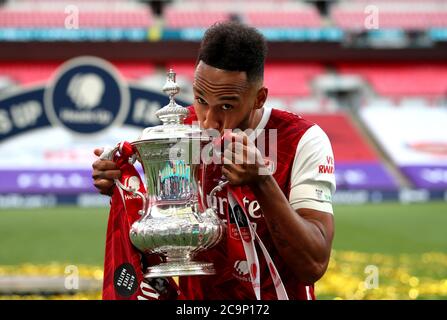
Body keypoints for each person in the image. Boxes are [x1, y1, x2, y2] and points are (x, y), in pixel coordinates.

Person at [92, 21, 336, 300]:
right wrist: (122, 185)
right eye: (201, 99)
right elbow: (162, 223)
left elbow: (313, 264)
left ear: (259, 98)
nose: (208, 120)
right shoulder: (181, 134)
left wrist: (262, 182)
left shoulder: (302, 140)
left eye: (227, 106)